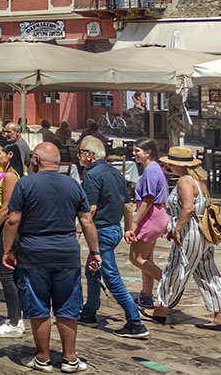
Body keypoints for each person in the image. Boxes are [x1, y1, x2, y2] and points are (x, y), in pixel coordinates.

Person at [1, 142, 101, 372]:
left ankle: (43, 358)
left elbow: (13, 219)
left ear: (35, 159)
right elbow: (86, 220)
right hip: (67, 254)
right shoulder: (73, 184)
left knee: (38, 306)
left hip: (34, 254)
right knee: (68, 306)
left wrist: (8, 250)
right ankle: (70, 358)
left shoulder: (26, 183)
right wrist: (95, 252)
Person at [146, 146, 221, 331]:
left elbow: (188, 208)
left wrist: (177, 228)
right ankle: (219, 315)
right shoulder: (199, 182)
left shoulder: (185, 181)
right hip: (204, 234)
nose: (168, 166)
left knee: (176, 269)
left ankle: (161, 309)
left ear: (178, 165)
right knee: (207, 272)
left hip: (190, 232)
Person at [78, 136, 148, 338]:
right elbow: (128, 204)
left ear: (90, 155)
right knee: (92, 270)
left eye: (81, 152)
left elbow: (89, 210)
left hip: (101, 231)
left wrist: (77, 231)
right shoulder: (114, 172)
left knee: (111, 277)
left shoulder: (91, 175)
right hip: (115, 229)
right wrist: (127, 228)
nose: (79, 156)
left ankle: (135, 322)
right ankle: (89, 312)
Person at [0, 142, 27, 338]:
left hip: (7, 228)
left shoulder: (10, 176)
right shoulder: (14, 175)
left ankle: (14, 320)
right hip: (9, 228)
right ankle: (16, 317)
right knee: (13, 275)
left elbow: (6, 208)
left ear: (10, 154)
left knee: (5, 275)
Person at [125, 138, 168, 308]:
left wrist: (135, 221)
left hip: (151, 216)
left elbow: (148, 199)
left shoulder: (151, 170)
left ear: (148, 152)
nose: (134, 154)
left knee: (136, 258)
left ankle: (168, 284)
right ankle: (146, 295)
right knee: (147, 258)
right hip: (158, 215)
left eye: (137, 151)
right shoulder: (154, 169)